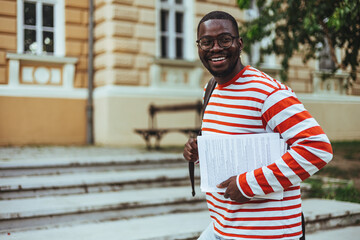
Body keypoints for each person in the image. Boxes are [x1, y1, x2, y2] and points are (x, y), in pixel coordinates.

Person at [183, 11, 333, 240]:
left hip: (266, 233)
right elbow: (233, 146)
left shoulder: (266, 92)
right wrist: (198, 152)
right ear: (199, 47)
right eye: (206, 42)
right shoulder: (210, 90)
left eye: (224, 39)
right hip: (223, 226)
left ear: (239, 43)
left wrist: (248, 185)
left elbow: (317, 148)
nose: (215, 48)